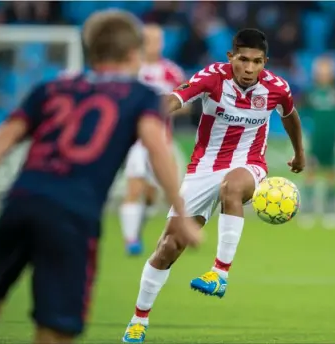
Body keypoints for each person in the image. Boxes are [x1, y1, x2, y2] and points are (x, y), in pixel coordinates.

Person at [0, 10, 201, 344]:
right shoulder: (140, 95)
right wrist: (182, 214)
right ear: (134, 53)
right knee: (55, 328)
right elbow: (157, 148)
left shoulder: (51, 87)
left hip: (20, 202)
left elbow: (0, 141)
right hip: (72, 215)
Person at [122, 28, 305, 343]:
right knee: (167, 248)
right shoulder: (212, 77)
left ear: (266, 62)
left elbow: (290, 116)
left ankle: (220, 273)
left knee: (232, 187)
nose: (249, 68)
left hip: (249, 165)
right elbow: (177, 97)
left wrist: (299, 153)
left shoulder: (277, 88)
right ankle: (139, 320)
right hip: (202, 171)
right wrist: (149, 112)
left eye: (257, 62)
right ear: (230, 57)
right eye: (243, 60)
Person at [121, 23, 186, 255]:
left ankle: (136, 231)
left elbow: (186, 104)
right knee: (134, 187)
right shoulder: (130, 71)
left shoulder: (172, 72)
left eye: (158, 40)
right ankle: (131, 242)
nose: (154, 44)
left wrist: (164, 108)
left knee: (152, 195)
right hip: (135, 140)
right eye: (149, 39)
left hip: (163, 140)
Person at [299, 56, 335, 229]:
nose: (324, 76)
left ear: (332, 74)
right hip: (314, 140)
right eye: (321, 72)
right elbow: (302, 115)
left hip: (332, 140)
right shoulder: (310, 93)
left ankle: (331, 210)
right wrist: (304, 135)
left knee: (332, 174)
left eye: (327, 72)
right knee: (310, 173)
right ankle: (308, 210)